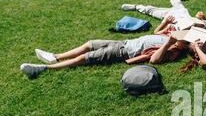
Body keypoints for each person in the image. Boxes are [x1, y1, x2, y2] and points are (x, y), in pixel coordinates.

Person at [20, 33, 186, 77]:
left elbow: (154, 60)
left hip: (123, 52)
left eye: (183, 40)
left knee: (84, 59)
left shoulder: (173, 51)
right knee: (89, 44)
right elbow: (157, 31)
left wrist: (170, 42)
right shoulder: (170, 36)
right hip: (123, 42)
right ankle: (55, 56)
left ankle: (43, 68)